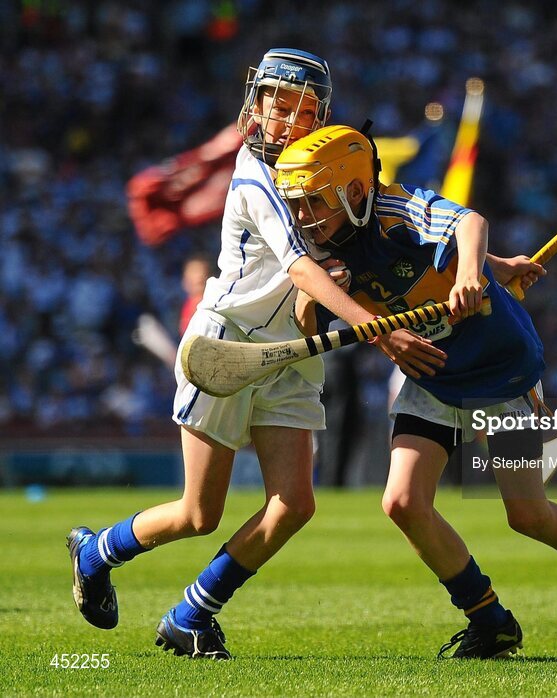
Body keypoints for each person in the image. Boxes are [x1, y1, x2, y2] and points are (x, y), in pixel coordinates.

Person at [66, 48, 433, 660]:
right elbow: (300, 268)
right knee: (198, 513)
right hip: (227, 346)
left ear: (320, 114)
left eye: (299, 108)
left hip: (291, 353)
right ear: (254, 102)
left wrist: (484, 264)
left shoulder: (326, 164)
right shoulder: (254, 174)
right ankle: (96, 551)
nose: (284, 119)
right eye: (274, 103)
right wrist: (378, 327)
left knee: (294, 504)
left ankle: (190, 614)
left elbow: (379, 223)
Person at [276, 124, 557, 659]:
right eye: (296, 206)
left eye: (312, 203)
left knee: (529, 515)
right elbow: (317, 314)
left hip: (500, 370)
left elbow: (467, 222)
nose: (302, 218)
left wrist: (473, 270)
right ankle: (488, 618)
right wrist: (312, 308)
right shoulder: (323, 247)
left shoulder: (397, 207)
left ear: (353, 192)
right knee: (402, 501)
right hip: (434, 376)